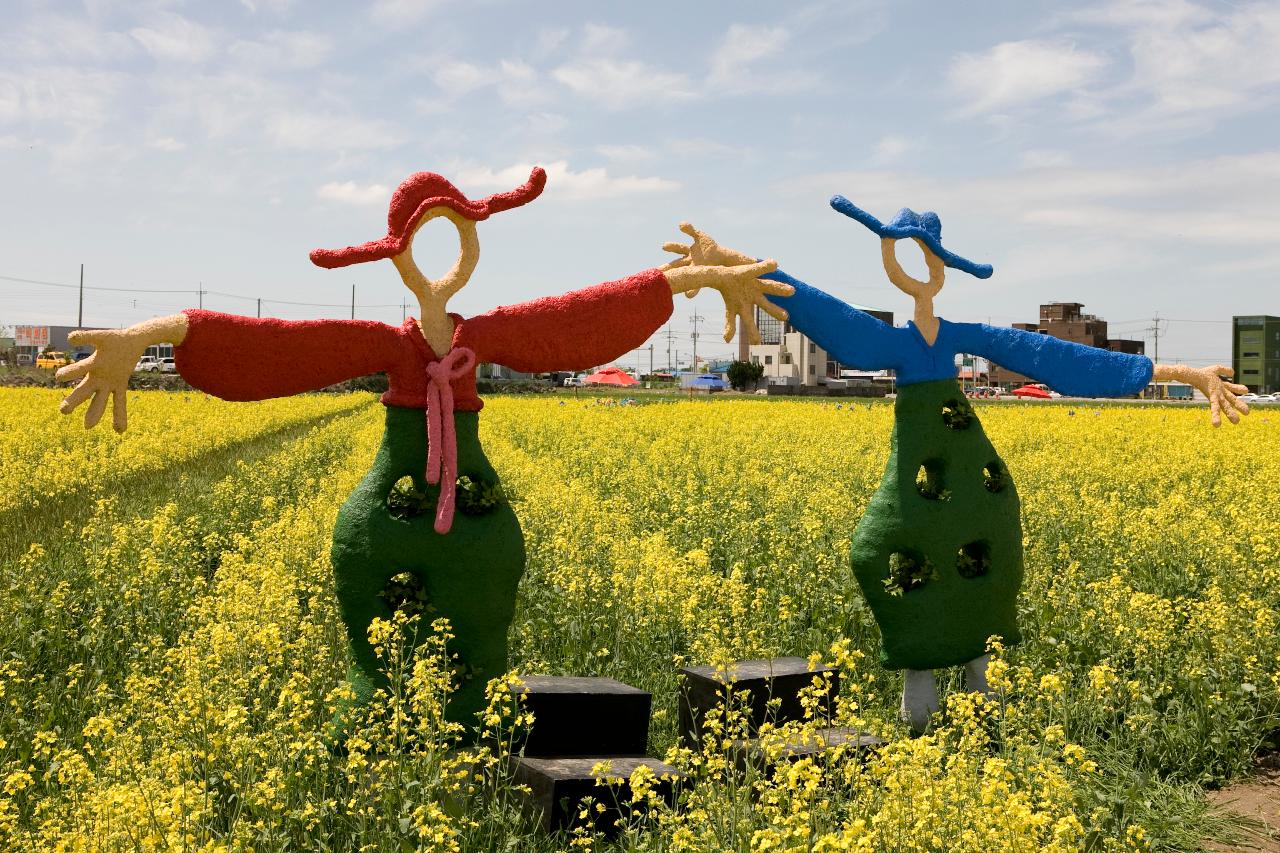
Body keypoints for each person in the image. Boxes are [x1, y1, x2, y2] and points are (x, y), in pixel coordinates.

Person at [57, 167, 791, 739]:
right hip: (390, 508)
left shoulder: (488, 333)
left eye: (456, 236)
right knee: (376, 611)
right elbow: (274, 346)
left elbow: (585, 314)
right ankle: (380, 713)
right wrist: (148, 335)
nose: (440, 261)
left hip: (470, 506)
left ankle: (474, 718)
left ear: (468, 245)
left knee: (482, 597)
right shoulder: (385, 343)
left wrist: (696, 279)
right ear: (398, 256)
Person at [664, 199, 1248, 732]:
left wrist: (1182, 373)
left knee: (978, 560)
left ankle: (978, 707)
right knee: (880, 551)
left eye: (927, 257)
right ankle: (925, 703)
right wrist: (731, 264)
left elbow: (1058, 358)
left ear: (942, 267)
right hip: (928, 467)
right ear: (890, 258)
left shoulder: (958, 334)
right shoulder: (886, 342)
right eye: (901, 251)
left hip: (977, 476)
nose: (918, 269)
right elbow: (822, 311)